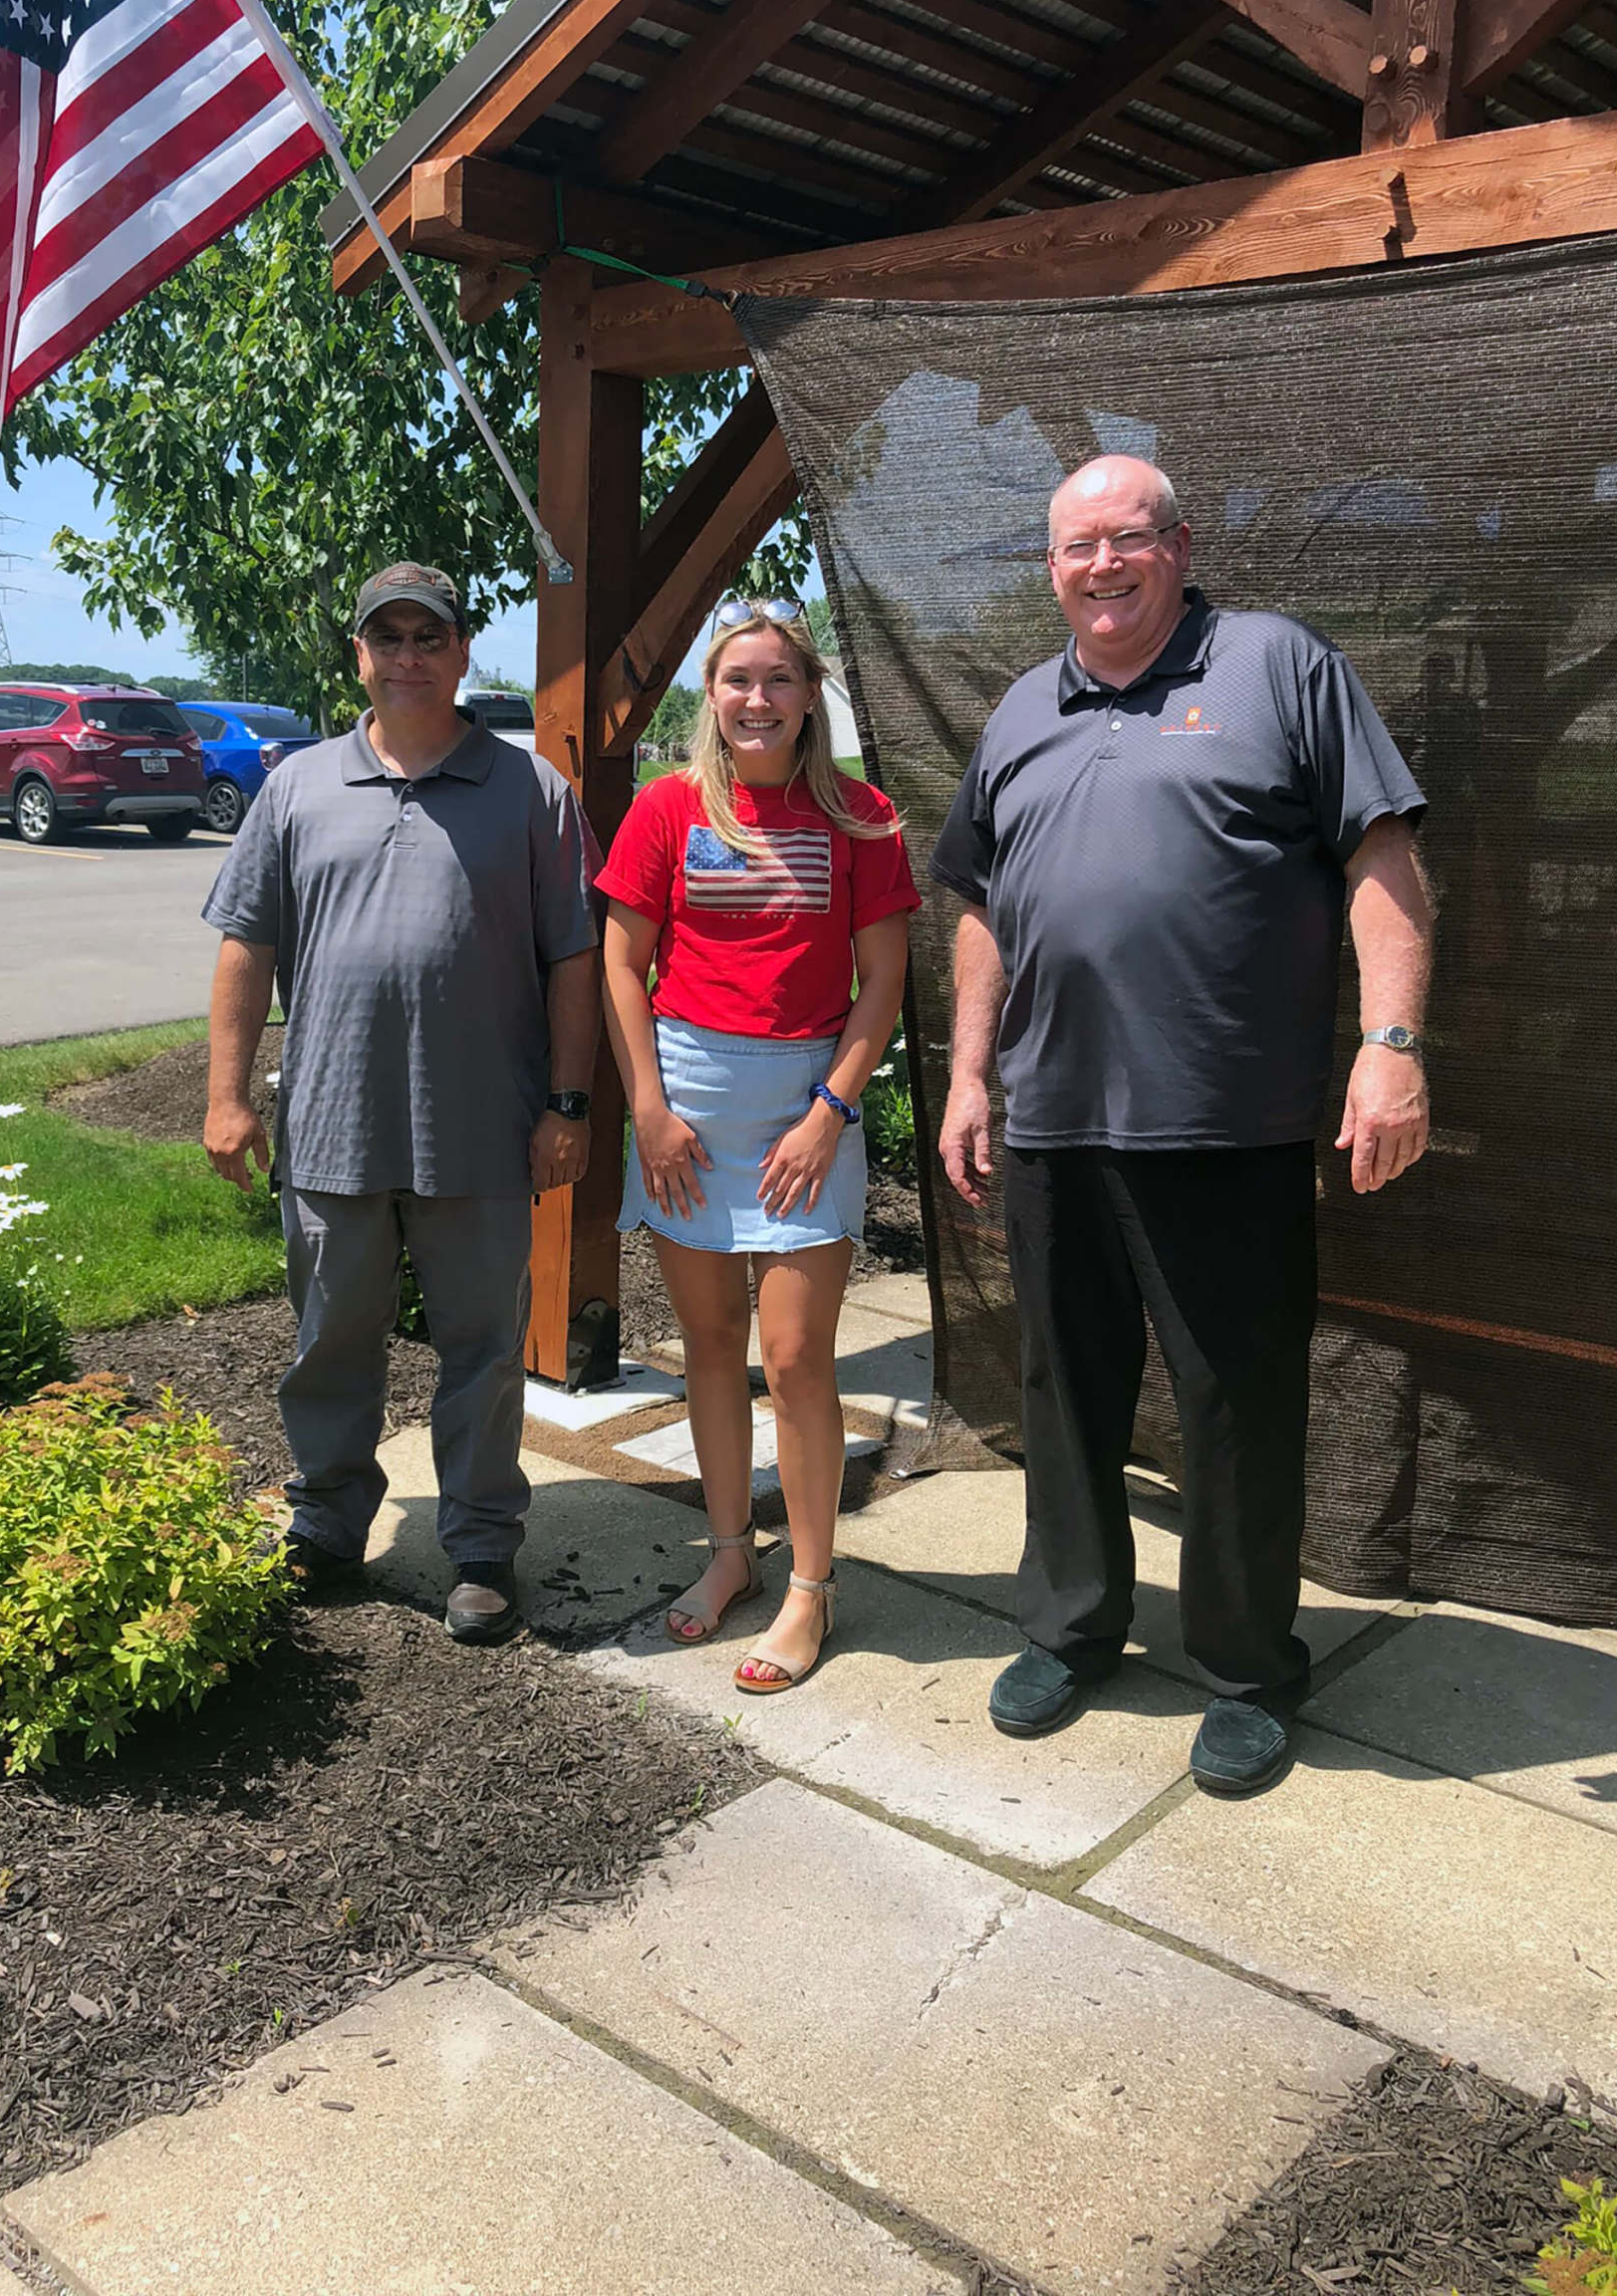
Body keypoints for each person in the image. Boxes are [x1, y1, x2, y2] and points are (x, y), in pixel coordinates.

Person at [933, 457, 1433, 1794]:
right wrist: (971, 1075)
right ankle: (1072, 1625)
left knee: (1234, 1405)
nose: (1104, 565)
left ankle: (1248, 1666)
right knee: (1062, 1390)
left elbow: (1383, 859)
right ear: (1050, 570)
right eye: (1077, 547)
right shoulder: (1023, 711)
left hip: (1227, 1127)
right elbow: (978, 904)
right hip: (1047, 1124)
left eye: (1128, 540)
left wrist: (1389, 1049)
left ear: (1178, 545)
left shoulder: (1278, 668)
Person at [200, 561, 602, 1646]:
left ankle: (478, 1541)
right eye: (391, 638)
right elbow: (248, 944)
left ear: (465, 653)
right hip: (331, 1123)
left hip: (483, 1125)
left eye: (432, 635)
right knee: (331, 1335)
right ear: (361, 657)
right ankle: (328, 1517)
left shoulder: (532, 793)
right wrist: (227, 1096)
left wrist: (569, 1102)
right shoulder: (296, 788)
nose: (411, 656)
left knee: (483, 1345)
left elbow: (575, 957)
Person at [599, 599, 920, 1693]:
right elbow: (620, 964)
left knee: (795, 1361)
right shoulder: (668, 807)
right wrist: (647, 1107)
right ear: (712, 694)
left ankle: (812, 1589)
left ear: (808, 695)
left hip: (805, 1111)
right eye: (738, 678)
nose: (757, 698)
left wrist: (829, 1112)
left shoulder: (862, 816)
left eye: (779, 678)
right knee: (707, 1340)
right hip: (686, 1110)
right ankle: (731, 1553)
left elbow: (882, 983)